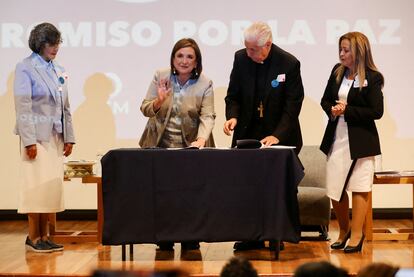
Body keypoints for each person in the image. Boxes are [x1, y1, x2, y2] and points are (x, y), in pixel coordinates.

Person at [223, 21, 304, 251]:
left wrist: (277, 135)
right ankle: (251, 235)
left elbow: (293, 105)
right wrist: (233, 117)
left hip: (281, 135)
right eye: (246, 48)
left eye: (253, 49)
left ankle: (278, 234)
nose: (248, 53)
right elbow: (233, 96)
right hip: (248, 134)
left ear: (267, 45)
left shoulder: (288, 63)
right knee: (247, 186)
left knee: (279, 187)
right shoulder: (240, 59)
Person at [139, 38, 215, 250]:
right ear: (173, 59)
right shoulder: (160, 76)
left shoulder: (205, 83)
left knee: (191, 195)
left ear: (197, 61)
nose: (184, 61)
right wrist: (159, 101)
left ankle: (191, 236)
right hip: (160, 145)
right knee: (164, 194)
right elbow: (145, 108)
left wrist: (201, 139)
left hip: (190, 148)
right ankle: (164, 237)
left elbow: (208, 115)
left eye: (190, 56)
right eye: (180, 56)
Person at [13, 22, 75, 253]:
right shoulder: (25, 67)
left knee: (50, 189)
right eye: (51, 43)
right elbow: (23, 107)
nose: (55, 47)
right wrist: (28, 141)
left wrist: (69, 137)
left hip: (55, 137)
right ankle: (33, 237)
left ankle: (46, 236)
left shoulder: (58, 69)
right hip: (36, 137)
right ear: (39, 43)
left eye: (57, 42)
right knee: (35, 187)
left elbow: (65, 107)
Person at [320, 32, 384, 253]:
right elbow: (325, 99)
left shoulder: (373, 77)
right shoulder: (337, 72)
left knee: (359, 186)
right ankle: (344, 230)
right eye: (340, 49)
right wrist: (333, 109)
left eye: (346, 50)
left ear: (359, 51)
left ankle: (357, 235)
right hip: (337, 136)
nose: (341, 54)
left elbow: (376, 111)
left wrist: (348, 110)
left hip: (362, 141)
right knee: (335, 187)